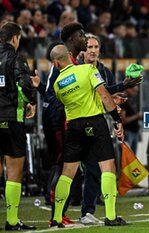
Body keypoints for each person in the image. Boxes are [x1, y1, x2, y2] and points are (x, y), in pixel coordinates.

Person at [48, 44, 127, 228]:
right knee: (107, 167)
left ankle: (57, 218)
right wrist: (116, 120)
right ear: (69, 55)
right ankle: (111, 216)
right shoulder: (88, 69)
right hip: (95, 123)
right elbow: (104, 96)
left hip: (73, 127)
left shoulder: (58, 83)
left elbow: (65, 102)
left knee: (67, 173)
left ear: (56, 63)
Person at [78, 33, 141, 225]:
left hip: (99, 123)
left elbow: (108, 96)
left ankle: (88, 211)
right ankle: (67, 214)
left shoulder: (104, 71)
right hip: (79, 123)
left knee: (96, 169)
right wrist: (120, 87)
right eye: (89, 47)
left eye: (96, 47)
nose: (93, 50)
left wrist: (117, 103)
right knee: (74, 170)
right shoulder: (77, 70)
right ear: (82, 51)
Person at [31, 22, 88, 226]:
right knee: (62, 165)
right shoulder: (63, 64)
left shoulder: (71, 62)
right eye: (82, 35)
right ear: (72, 39)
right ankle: (56, 215)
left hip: (62, 120)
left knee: (66, 166)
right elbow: (53, 97)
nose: (86, 39)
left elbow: (50, 93)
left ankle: (59, 213)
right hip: (57, 122)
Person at [0, 22, 37, 231]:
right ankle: (12, 221)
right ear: (14, 38)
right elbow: (24, 83)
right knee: (13, 171)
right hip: (11, 119)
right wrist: (31, 102)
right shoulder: (15, 57)